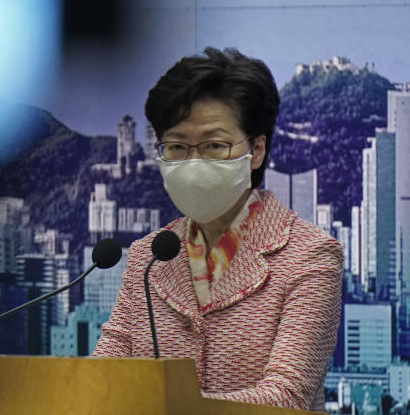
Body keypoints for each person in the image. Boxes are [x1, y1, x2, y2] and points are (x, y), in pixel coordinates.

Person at [92, 47, 343, 412]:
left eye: (214, 145)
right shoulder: (150, 254)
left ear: (256, 150)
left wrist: (157, 404)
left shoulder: (309, 256)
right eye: (176, 147)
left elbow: (287, 397)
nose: (193, 163)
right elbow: (104, 371)